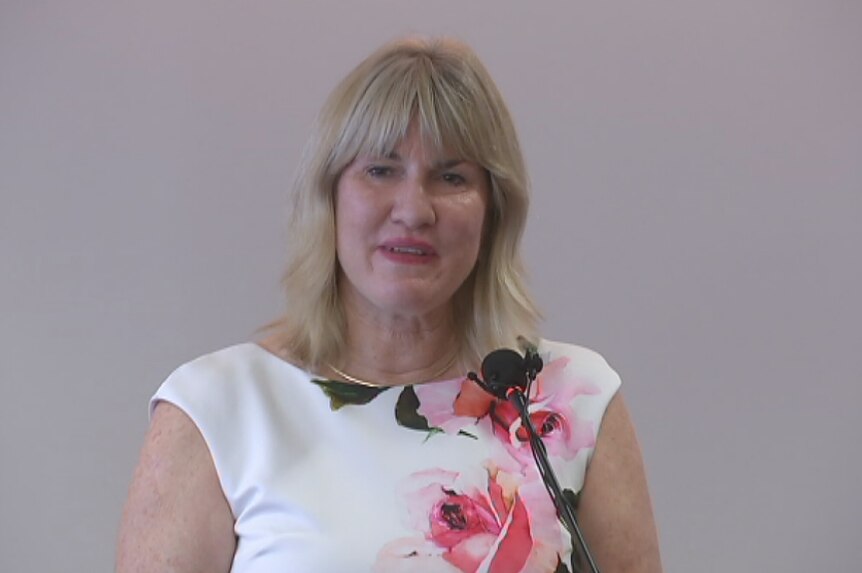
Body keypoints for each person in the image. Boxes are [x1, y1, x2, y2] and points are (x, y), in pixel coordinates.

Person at [117, 36, 662, 573]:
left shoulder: (568, 402)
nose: (414, 210)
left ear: (492, 213)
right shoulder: (217, 410)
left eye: (451, 177)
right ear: (328, 197)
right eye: (380, 170)